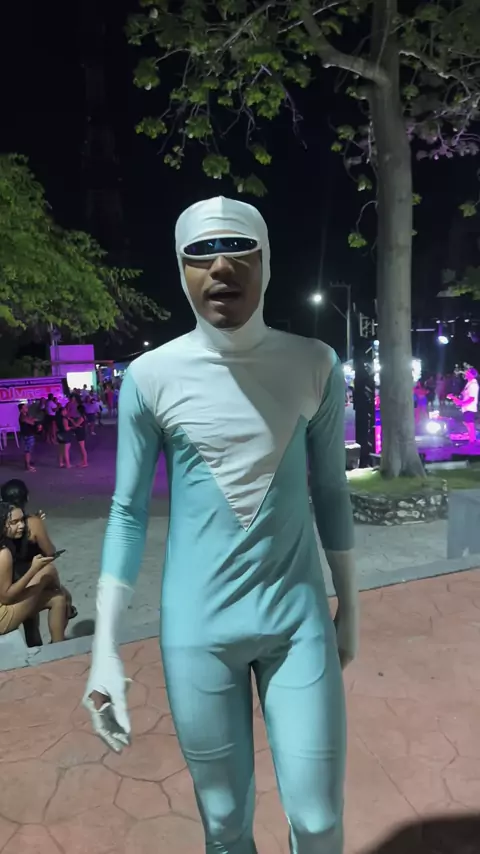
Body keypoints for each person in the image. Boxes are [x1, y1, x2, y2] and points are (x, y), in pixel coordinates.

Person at [84, 197, 358, 854]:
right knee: (225, 824)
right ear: (180, 268)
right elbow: (126, 513)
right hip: (197, 630)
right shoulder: (151, 377)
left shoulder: (314, 364)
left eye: (239, 249)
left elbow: (330, 491)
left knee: (318, 821)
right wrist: (104, 650)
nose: (221, 268)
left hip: (297, 621)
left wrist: (351, 605)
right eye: (200, 254)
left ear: (266, 261)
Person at [0, 478, 76, 645]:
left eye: (21, 521)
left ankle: (56, 648)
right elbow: (49, 551)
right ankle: (65, 608)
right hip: (9, 599)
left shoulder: (9, 529)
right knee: (50, 573)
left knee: (56, 599)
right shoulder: (5, 551)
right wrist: (34, 569)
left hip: (16, 584)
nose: (20, 526)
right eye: (14, 522)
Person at [447, 366, 479, 443]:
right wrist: (455, 398)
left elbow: (472, 398)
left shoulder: (473, 385)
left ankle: (472, 441)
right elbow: (464, 395)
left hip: (470, 407)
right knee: (467, 423)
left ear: (471, 375)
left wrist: (461, 403)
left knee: (470, 424)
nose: (465, 374)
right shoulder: (469, 383)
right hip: (466, 407)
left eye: (467, 373)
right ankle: (472, 439)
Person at [18, 403, 39, 473]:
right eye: (24, 407)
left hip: (29, 434)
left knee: (28, 451)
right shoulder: (22, 416)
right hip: (26, 436)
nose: (26, 408)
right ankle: (27, 466)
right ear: (21, 410)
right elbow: (31, 422)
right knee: (27, 451)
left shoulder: (26, 415)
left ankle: (28, 464)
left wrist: (33, 420)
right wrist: (32, 420)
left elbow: (33, 420)